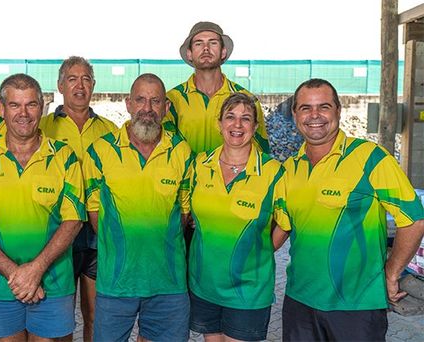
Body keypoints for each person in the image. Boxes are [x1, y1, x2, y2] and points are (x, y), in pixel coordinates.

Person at [273, 78, 424, 341]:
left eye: (324, 106)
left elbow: (413, 219)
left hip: (357, 307)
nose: (315, 115)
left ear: (338, 111)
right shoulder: (290, 169)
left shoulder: (370, 157)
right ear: (295, 114)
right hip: (299, 302)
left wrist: (392, 272)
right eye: (305, 108)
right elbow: (285, 226)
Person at [0, 74, 85, 341]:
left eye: (31, 104)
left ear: (42, 107)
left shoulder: (64, 157)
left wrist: (35, 270)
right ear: (2, 109)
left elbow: (74, 221)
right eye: (15, 105)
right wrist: (17, 275)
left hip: (52, 283)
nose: (23, 113)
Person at [83, 73, 192, 342]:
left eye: (155, 101)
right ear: (128, 104)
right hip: (117, 282)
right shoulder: (100, 151)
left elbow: (184, 211)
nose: (147, 108)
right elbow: (95, 214)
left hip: (169, 283)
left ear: (166, 108)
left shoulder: (182, 151)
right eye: (140, 100)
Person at [187, 93, 286, 341]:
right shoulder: (199, 165)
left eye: (246, 118)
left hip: (248, 290)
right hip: (204, 285)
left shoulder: (273, 172)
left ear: (254, 127)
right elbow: (187, 215)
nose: (237, 125)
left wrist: (256, 252)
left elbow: (285, 225)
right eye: (230, 117)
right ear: (219, 124)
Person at [40, 56, 117, 342]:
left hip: (97, 232)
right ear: (61, 85)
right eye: (72, 79)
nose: (80, 85)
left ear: (93, 85)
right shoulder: (43, 128)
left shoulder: (110, 130)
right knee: (59, 316)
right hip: (58, 230)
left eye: (86, 79)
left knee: (95, 313)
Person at [165, 21, 270, 154]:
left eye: (213, 43)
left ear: (223, 52)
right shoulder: (172, 99)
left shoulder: (247, 100)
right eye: (198, 43)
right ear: (189, 54)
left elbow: (261, 152)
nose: (206, 48)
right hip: (186, 175)